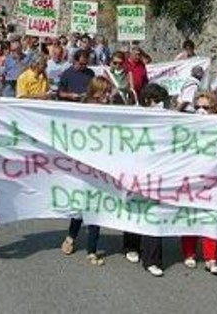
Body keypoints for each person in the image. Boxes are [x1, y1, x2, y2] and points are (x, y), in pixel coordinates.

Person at [60, 76, 114, 266]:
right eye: (104, 92)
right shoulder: (82, 109)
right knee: (80, 206)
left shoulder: (112, 111)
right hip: (83, 165)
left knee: (96, 207)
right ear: (95, 92)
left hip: (101, 165)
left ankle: (92, 250)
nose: (107, 96)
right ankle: (71, 236)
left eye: (108, 92)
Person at [123, 83, 170, 277]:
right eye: (158, 101)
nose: (162, 105)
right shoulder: (133, 116)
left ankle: (152, 259)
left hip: (158, 172)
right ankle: (131, 246)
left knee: (154, 214)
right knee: (135, 210)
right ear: (148, 101)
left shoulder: (169, 118)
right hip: (136, 171)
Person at [179, 91, 217, 275]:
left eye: (206, 107)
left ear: (214, 108)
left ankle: (211, 258)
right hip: (191, 179)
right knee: (190, 218)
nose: (201, 111)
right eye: (197, 107)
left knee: (211, 220)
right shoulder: (187, 127)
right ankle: (189, 254)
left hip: (213, 182)